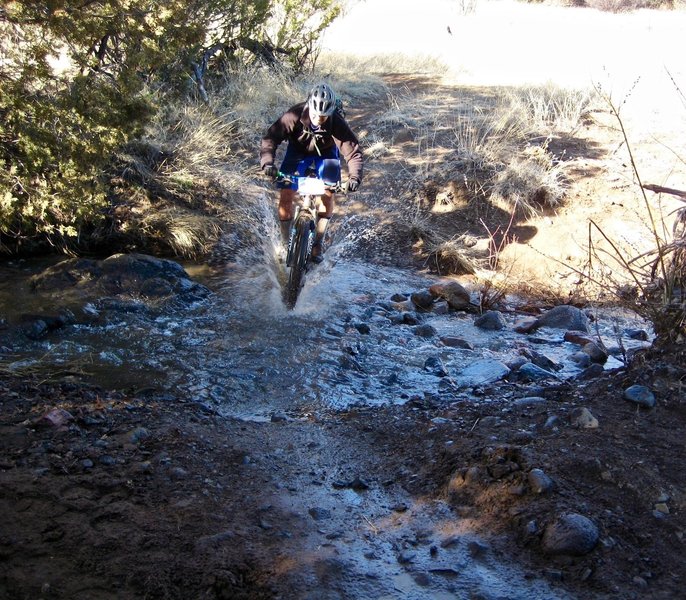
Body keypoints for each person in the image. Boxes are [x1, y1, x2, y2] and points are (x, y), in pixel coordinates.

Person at [260, 82, 364, 263]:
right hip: (297, 151)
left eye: (323, 116)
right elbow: (271, 138)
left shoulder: (336, 122)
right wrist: (268, 163)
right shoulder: (294, 115)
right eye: (315, 114)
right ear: (309, 107)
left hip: (326, 153)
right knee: (286, 192)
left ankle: (318, 243)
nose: (318, 118)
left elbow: (353, 152)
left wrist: (354, 177)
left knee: (328, 193)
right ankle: (285, 243)